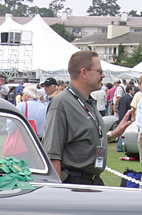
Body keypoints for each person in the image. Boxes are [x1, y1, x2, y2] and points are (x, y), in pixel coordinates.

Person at [41, 50, 131, 185]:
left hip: (92, 182)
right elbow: (53, 153)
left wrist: (113, 134)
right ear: (84, 73)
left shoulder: (88, 101)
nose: (103, 75)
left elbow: (83, 140)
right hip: (74, 185)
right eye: (99, 71)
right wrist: (57, 195)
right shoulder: (62, 103)